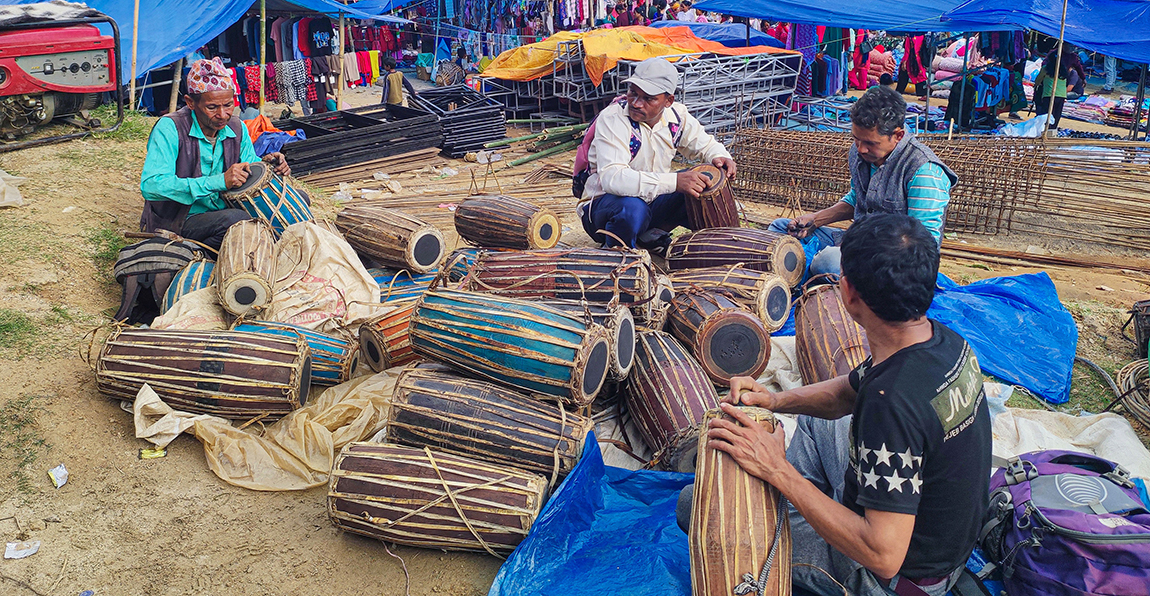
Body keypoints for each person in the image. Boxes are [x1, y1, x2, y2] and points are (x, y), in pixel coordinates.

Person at [679, 213, 992, 596]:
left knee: (693, 505)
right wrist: (774, 400)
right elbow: (848, 391)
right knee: (817, 422)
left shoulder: (890, 404)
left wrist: (777, 470)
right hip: (939, 539)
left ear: (847, 293)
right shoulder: (941, 341)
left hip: (896, 578)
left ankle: (796, 509)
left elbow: (883, 554)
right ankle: (807, 506)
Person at [768, 86, 956, 276]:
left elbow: (923, 248)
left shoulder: (923, 171)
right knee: (780, 231)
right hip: (857, 242)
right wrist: (815, 220)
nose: (861, 149)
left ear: (898, 136)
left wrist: (861, 252)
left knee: (828, 262)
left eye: (870, 143)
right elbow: (857, 199)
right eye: (857, 139)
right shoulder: (861, 154)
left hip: (895, 265)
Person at [576, 57, 736, 254]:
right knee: (633, 209)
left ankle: (653, 236)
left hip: (651, 205)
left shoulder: (677, 117)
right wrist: (675, 181)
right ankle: (617, 250)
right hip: (604, 210)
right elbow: (613, 179)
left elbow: (705, 143)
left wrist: (720, 156)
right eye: (632, 93)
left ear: (668, 101)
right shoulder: (613, 119)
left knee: (702, 182)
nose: (636, 103)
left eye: (648, 98)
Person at [139, 57, 290, 251]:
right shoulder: (170, 128)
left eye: (228, 105)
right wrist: (219, 181)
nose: (223, 114)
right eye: (212, 107)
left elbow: (250, 166)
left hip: (223, 210)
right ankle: (192, 253)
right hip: (180, 218)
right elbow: (151, 185)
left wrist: (267, 166)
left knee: (299, 198)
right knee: (237, 221)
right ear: (190, 102)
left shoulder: (237, 127)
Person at [1034, 49, 1069, 129]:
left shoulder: (1046, 69)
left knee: (1047, 114)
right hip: (1061, 95)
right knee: (1057, 114)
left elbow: (1037, 81)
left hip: (1049, 94)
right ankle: (1053, 129)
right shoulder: (1064, 70)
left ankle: (1045, 129)